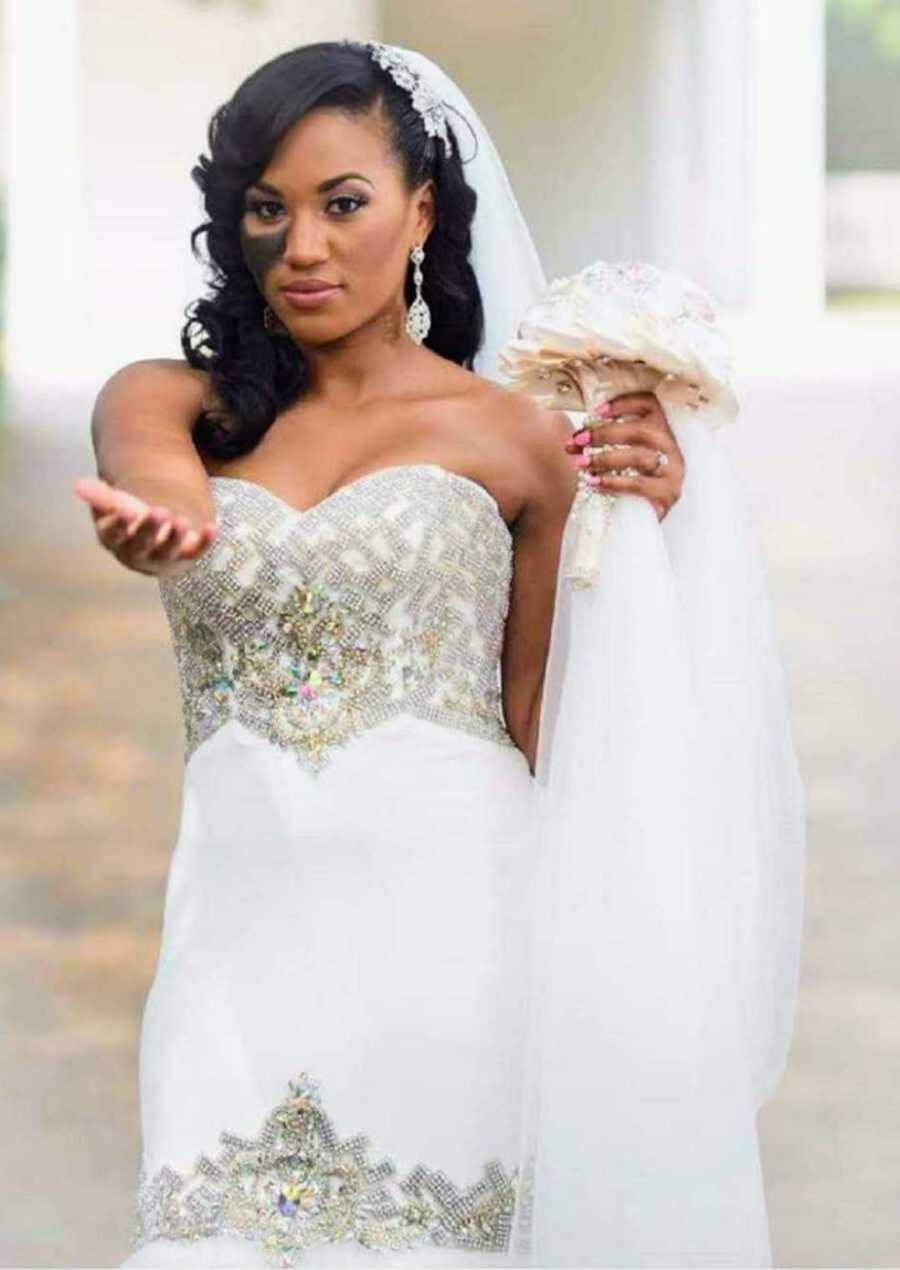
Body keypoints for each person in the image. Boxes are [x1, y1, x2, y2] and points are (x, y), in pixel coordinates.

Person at [74, 40, 804, 1270]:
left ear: (419, 211)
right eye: (267, 209)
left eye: (342, 203)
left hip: (455, 938)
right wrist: (167, 526)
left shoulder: (523, 442)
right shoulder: (178, 405)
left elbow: (548, 720)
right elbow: (153, 481)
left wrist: (644, 538)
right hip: (236, 945)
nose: (302, 247)